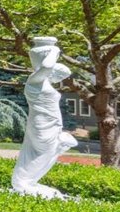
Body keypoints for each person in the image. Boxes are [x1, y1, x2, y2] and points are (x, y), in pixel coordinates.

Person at [10, 37, 78, 198]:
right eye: (59, 76)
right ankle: (23, 182)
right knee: (47, 150)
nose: (59, 81)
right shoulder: (34, 81)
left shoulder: (44, 84)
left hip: (51, 123)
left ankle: (28, 182)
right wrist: (54, 50)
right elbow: (46, 66)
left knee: (50, 150)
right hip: (42, 124)